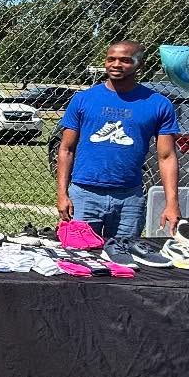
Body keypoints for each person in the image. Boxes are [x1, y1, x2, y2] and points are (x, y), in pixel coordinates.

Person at [55, 41, 180, 240]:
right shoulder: (83, 99)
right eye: (110, 59)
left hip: (130, 197)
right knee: (79, 259)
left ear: (140, 65)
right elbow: (66, 149)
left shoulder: (158, 104)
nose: (116, 64)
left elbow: (166, 156)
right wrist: (62, 194)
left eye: (125, 60)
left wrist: (172, 203)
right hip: (84, 194)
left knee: (124, 259)